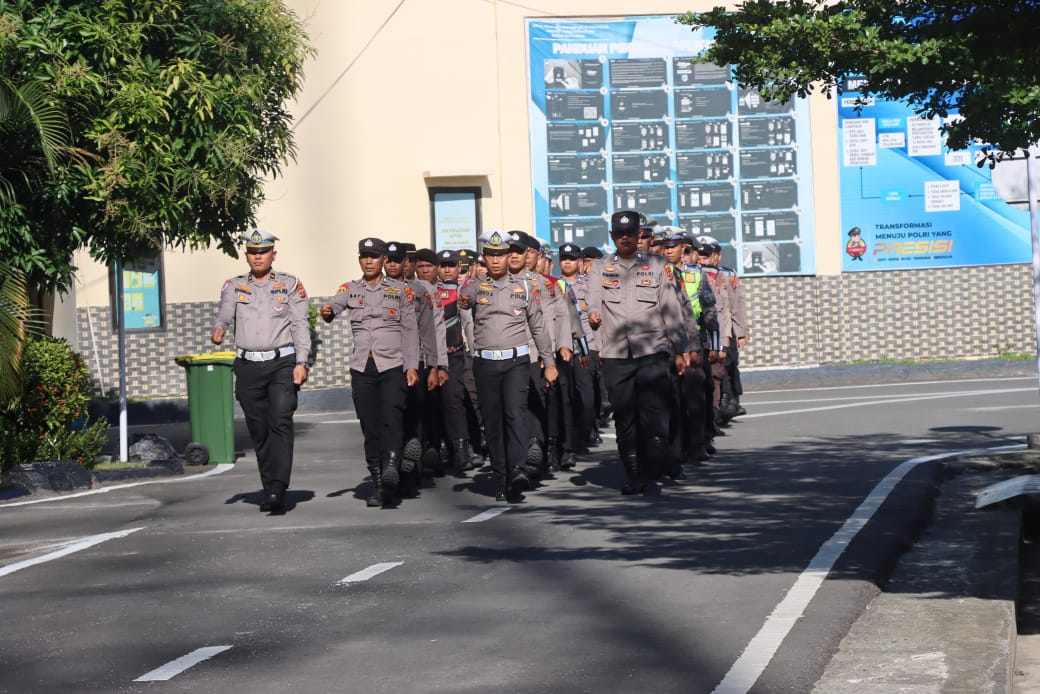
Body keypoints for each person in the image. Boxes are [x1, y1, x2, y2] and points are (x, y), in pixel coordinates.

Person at [587, 211, 690, 495]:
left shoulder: (657, 265)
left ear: (638, 235)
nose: (625, 238)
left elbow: (671, 309)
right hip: (616, 354)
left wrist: (681, 348)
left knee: (654, 414)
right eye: (619, 234)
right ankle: (633, 474)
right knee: (625, 417)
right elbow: (592, 294)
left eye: (630, 233)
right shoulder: (600, 267)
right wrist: (594, 310)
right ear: (612, 236)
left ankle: (653, 463)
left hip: (652, 351)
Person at [211, 229, 311, 514]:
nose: (258, 256)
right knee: (259, 428)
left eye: (263, 251)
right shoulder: (234, 285)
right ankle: (269, 486)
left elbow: (300, 324)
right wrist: (220, 327)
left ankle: (278, 487)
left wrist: (301, 362)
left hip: (282, 363)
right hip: (247, 365)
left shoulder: (290, 284)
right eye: (253, 252)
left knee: (279, 420)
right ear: (247, 255)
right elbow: (226, 311)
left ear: (273, 254)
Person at [320, 237, 419, 507]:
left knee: (391, 420)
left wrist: (412, 366)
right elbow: (332, 308)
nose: (368, 261)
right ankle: (379, 481)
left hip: (393, 366)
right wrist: (327, 311)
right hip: (363, 367)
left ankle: (391, 467)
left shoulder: (400, 291)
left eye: (374, 256)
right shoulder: (350, 289)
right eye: (364, 256)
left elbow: (410, 331)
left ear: (384, 261)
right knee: (370, 425)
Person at [458, 230, 557, 501]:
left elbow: (538, 326)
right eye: (492, 255)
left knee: (515, 414)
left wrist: (549, 362)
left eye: (502, 255)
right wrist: (465, 295)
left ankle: (517, 470)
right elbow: (463, 297)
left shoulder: (525, 286)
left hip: (516, 362)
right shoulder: (475, 285)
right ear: (485, 258)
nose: (498, 260)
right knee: (493, 421)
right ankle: (502, 475)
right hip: (485, 363)